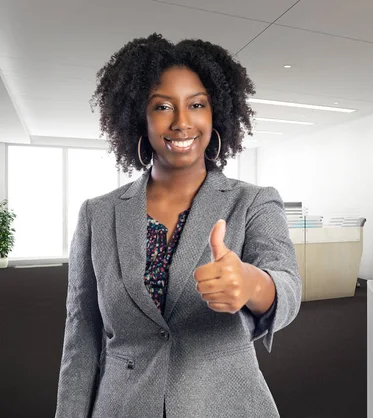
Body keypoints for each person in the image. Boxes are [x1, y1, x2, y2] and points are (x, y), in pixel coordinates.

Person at [55, 33, 302, 418]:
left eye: (197, 104)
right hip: (125, 405)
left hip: (227, 404)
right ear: (141, 117)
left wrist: (253, 282)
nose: (182, 122)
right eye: (163, 106)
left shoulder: (252, 201)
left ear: (215, 113)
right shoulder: (97, 214)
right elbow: (81, 336)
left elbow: (287, 287)